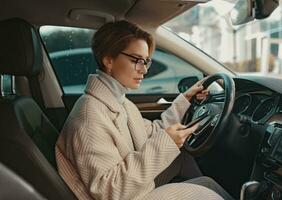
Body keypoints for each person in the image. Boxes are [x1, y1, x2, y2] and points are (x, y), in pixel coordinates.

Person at [55, 20, 234, 200]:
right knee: (207, 195)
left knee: (201, 177)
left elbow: (153, 132)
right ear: (108, 60)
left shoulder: (120, 103)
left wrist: (185, 100)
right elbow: (108, 191)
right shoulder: (89, 114)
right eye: (136, 60)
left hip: (133, 192)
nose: (144, 70)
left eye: (146, 61)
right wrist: (165, 143)